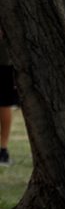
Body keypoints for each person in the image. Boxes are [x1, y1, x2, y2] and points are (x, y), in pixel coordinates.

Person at [0, 31, 19, 166]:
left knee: (4, 103)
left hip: (5, 61)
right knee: (4, 103)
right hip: (4, 62)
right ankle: (3, 150)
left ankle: (3, 150)